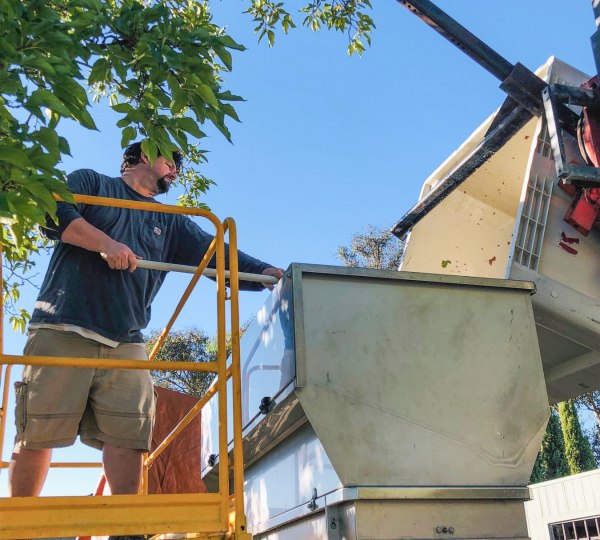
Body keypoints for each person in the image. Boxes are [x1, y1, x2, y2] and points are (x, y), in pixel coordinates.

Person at [8, 142, 283, 511]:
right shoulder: (92, 183)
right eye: (170, 159)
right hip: (63, 326)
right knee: (39, 430)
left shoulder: (171, 222)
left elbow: (215, 251)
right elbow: (53, 211)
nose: (175, 170)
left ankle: (126, 524)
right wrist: (106, 244)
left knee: (130, 432)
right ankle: (17, 523)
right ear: (141, 155)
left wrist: (264, 272)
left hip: (126, 338)